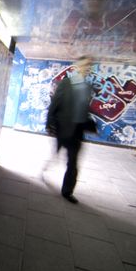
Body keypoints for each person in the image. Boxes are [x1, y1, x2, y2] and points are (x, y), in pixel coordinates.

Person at [46, 56, 95, 204]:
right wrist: (49, 123)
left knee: (73, 163)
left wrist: (88, 123)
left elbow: (84, 108)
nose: (88, 67)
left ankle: (67, 191)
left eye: (90, 65)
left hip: (77, 131)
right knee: (57, 152)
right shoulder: (65, 84)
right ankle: (49, 164)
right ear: (77, 67)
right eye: (85, 64)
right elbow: (54, 104)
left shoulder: (88, 88)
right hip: (63, 128)